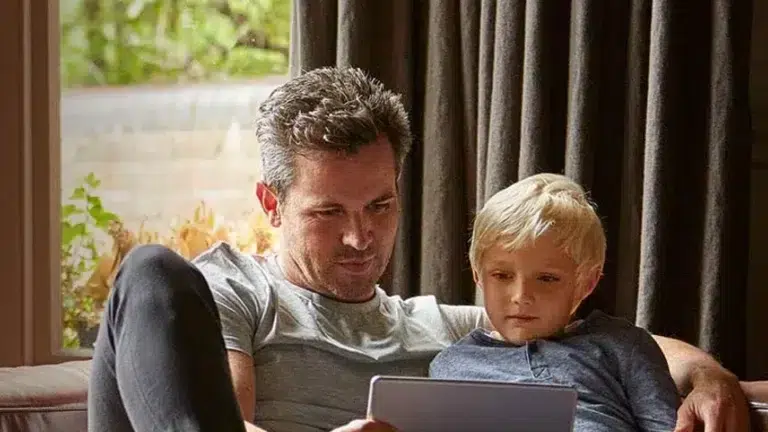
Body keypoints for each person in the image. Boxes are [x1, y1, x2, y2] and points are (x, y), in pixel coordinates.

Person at [87, 66, 750, 432]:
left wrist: (710, 378)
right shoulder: (234, 291)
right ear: (272, 204)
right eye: (328, 212)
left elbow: (616, 339)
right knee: (152, 271)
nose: (360, 237)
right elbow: (225, 422)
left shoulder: (444, 330)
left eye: (379, 206)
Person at [429, 173, 679, 431]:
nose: (521, 296)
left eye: (547, 279)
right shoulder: (450, 365)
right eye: (502, 275)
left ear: (586, 283)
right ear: (478, 276)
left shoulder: (623, 346)